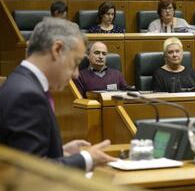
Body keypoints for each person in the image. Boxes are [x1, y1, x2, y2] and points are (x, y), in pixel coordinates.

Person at [0, 17, 116, 171]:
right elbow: (31, 172)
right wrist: (87, 158)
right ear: (57, 50)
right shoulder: (27, 96)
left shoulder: (19, 81)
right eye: (75, 63)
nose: (76, 74)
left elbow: (23, 153)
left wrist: (61, 151)